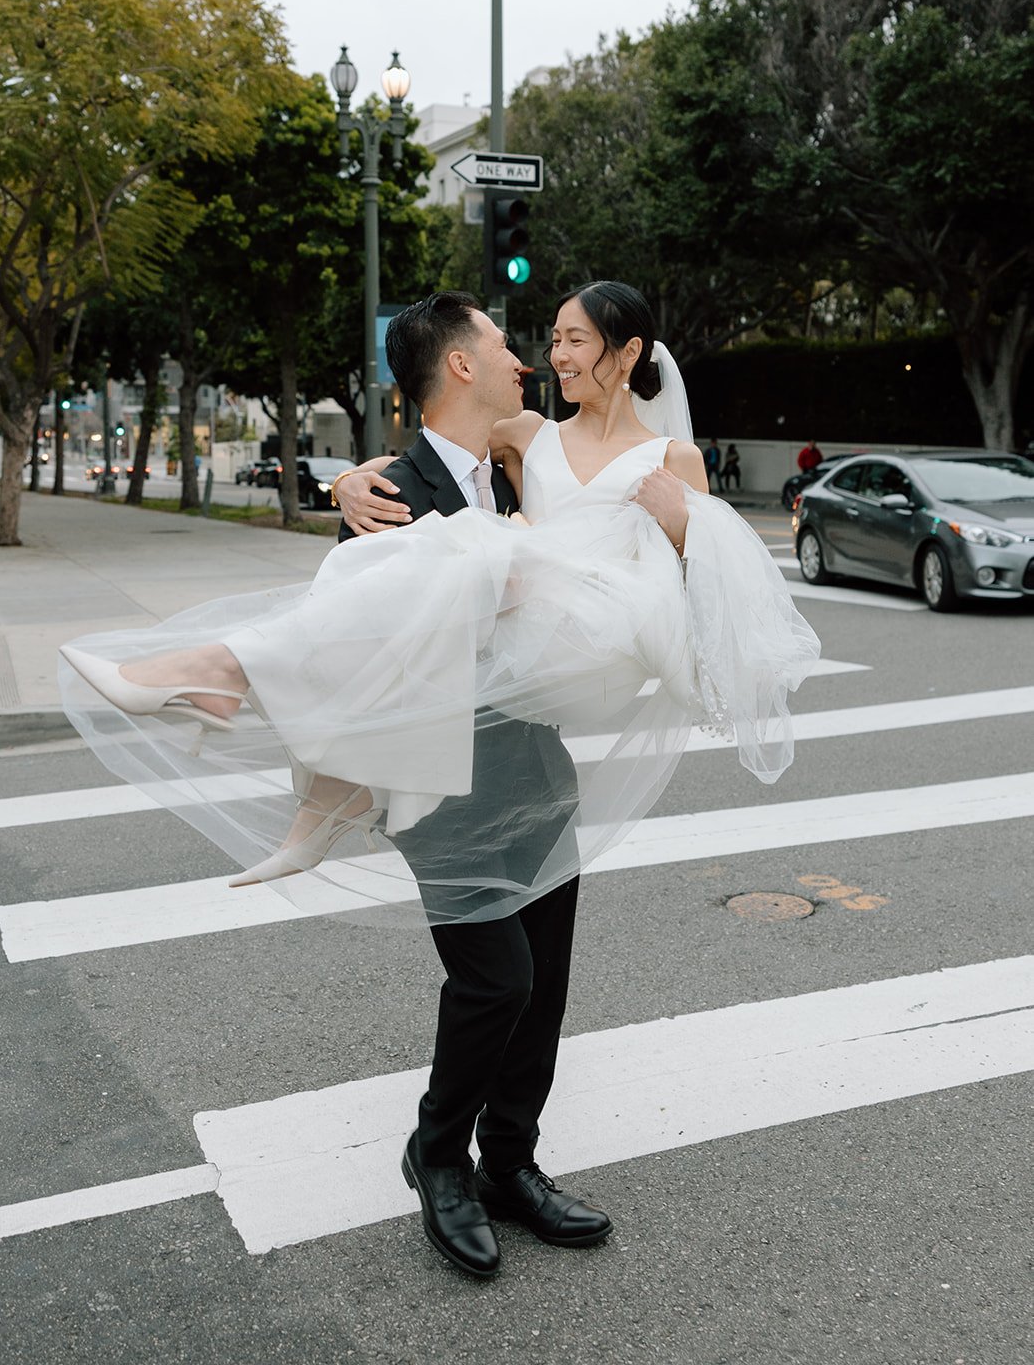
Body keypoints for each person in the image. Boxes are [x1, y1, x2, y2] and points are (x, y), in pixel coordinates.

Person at [59, 281, 819, 1278]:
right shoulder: (388, 489)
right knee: (493, 978)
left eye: (555, 342)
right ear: (460, 362)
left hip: (534, 762)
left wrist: (681, 524)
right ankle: (437, 1155)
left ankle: (511, 1163)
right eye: (513, 342)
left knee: (540, 988)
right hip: (442, 779)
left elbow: (663, 558)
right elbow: (354, 633)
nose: (529, 358)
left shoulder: (517, 459)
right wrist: (340, 487)